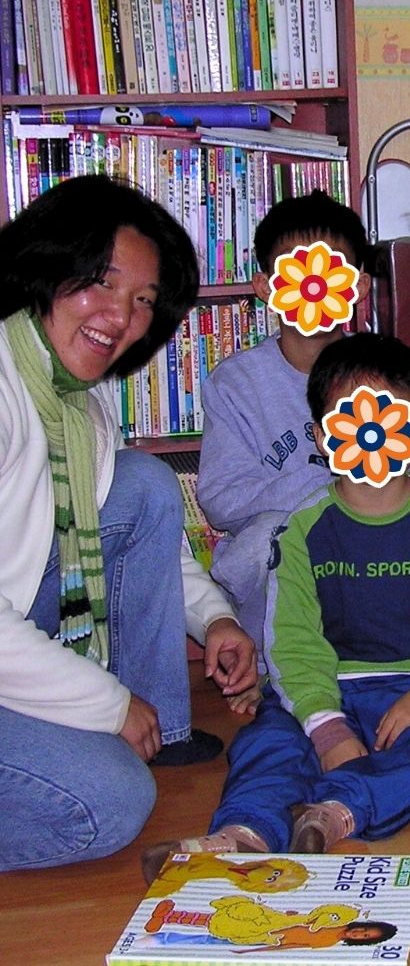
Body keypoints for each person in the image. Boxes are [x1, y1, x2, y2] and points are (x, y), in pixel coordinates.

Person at [143, 332, 410, 876]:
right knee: (269, 738)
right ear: (324, 438)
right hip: (324, 690)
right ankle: (244, 830)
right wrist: (326, 727)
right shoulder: (303, 526)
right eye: (349, 422)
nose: (371, 435)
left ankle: (336, 812)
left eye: (390, 419)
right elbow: (292, 638)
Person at [0, 175, 257, 872]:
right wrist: (105, 703)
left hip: (15, 623)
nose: (120, 315)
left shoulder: (75, 398)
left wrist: (216, 621)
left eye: (143, 300)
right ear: (47, 266)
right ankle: (120, 731)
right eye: (102, 283)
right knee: (107, 803)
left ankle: (162, 730)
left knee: (142, 481)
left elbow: (142, 531)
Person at [197, 190, 410, 667]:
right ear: (266, 287)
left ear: (360, 286)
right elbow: (222, 500)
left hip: (385, 541)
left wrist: (383, 468)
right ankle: (277, 668)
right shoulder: (236, 384)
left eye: (330, 272)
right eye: (298, 273)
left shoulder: (390, 371)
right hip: (294, 553)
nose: (314, 286)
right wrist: (326, 483)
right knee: (274, 536)